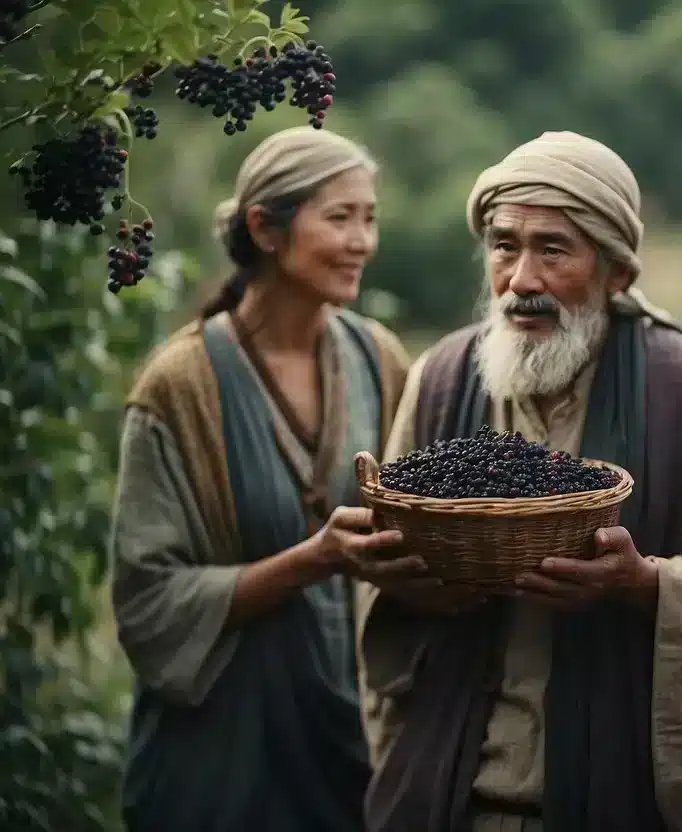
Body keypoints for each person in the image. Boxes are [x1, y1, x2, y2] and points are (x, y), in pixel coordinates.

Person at [353, 130, 682, 832]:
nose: (521, 279)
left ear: (616, 274)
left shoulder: (680, 387)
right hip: (445, 787)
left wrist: (642, 584)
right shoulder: (442, 378)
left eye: (552, 250)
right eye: (503, 246)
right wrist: (395, 569)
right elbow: (383, 574)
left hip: (608, 791)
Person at [108, 126, 415, 832]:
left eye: (369, 217)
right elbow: (147, 599)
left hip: (348, 743)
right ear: (265, 229)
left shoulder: (380, 362)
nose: (362, 240)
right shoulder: (180, 388)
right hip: (217, 759)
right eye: (339, 217)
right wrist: (314, 561)